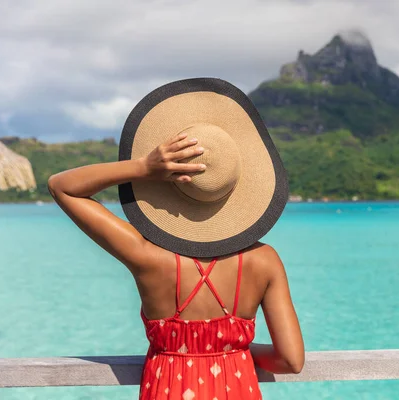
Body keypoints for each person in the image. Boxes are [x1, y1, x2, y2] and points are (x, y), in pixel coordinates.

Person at [48, 78, 304, 400]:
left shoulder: (146, 255)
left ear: (172, 185)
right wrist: (230, 348)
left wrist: (143, 167)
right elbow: (291, 360)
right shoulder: (264, 261)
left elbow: (62, 186)